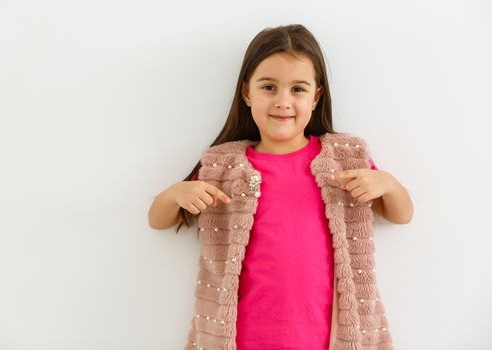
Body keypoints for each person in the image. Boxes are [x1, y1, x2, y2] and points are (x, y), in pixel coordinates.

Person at [148, 24, 413, 350]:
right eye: (269, 87)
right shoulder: (225, 166)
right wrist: (174, 194)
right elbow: (159, 220)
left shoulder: (343, 159)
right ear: (247, 93)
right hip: (243, 338)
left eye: (298, 89)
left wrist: (389, 184)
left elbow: (400, 215)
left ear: (316, 96)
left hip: (325, 338)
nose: (283, 101)